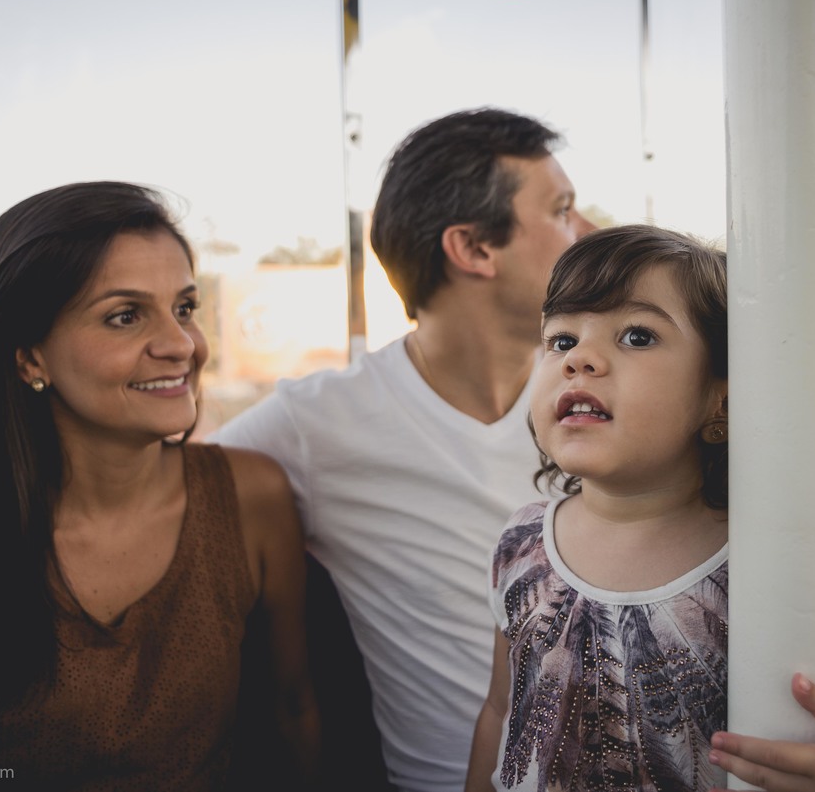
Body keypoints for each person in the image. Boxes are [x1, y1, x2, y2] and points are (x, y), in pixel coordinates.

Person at [465, 224, 815, 792]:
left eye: (636, 336)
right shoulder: (520, 542)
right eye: (562, 340)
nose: (579, 359)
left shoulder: (765, 565)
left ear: (721, 399)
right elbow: (499, 710)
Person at [0, 181, 319, 790]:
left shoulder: (252, 498)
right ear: (29, 357)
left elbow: (294, 713)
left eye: (185, 308)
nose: (181, 345)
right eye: (125, 316)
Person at [210, 107, 596, 792]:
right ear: (474, 248)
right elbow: (163, 487)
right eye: (563, 209)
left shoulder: (603, 394)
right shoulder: (317, 423)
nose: (588, 231)